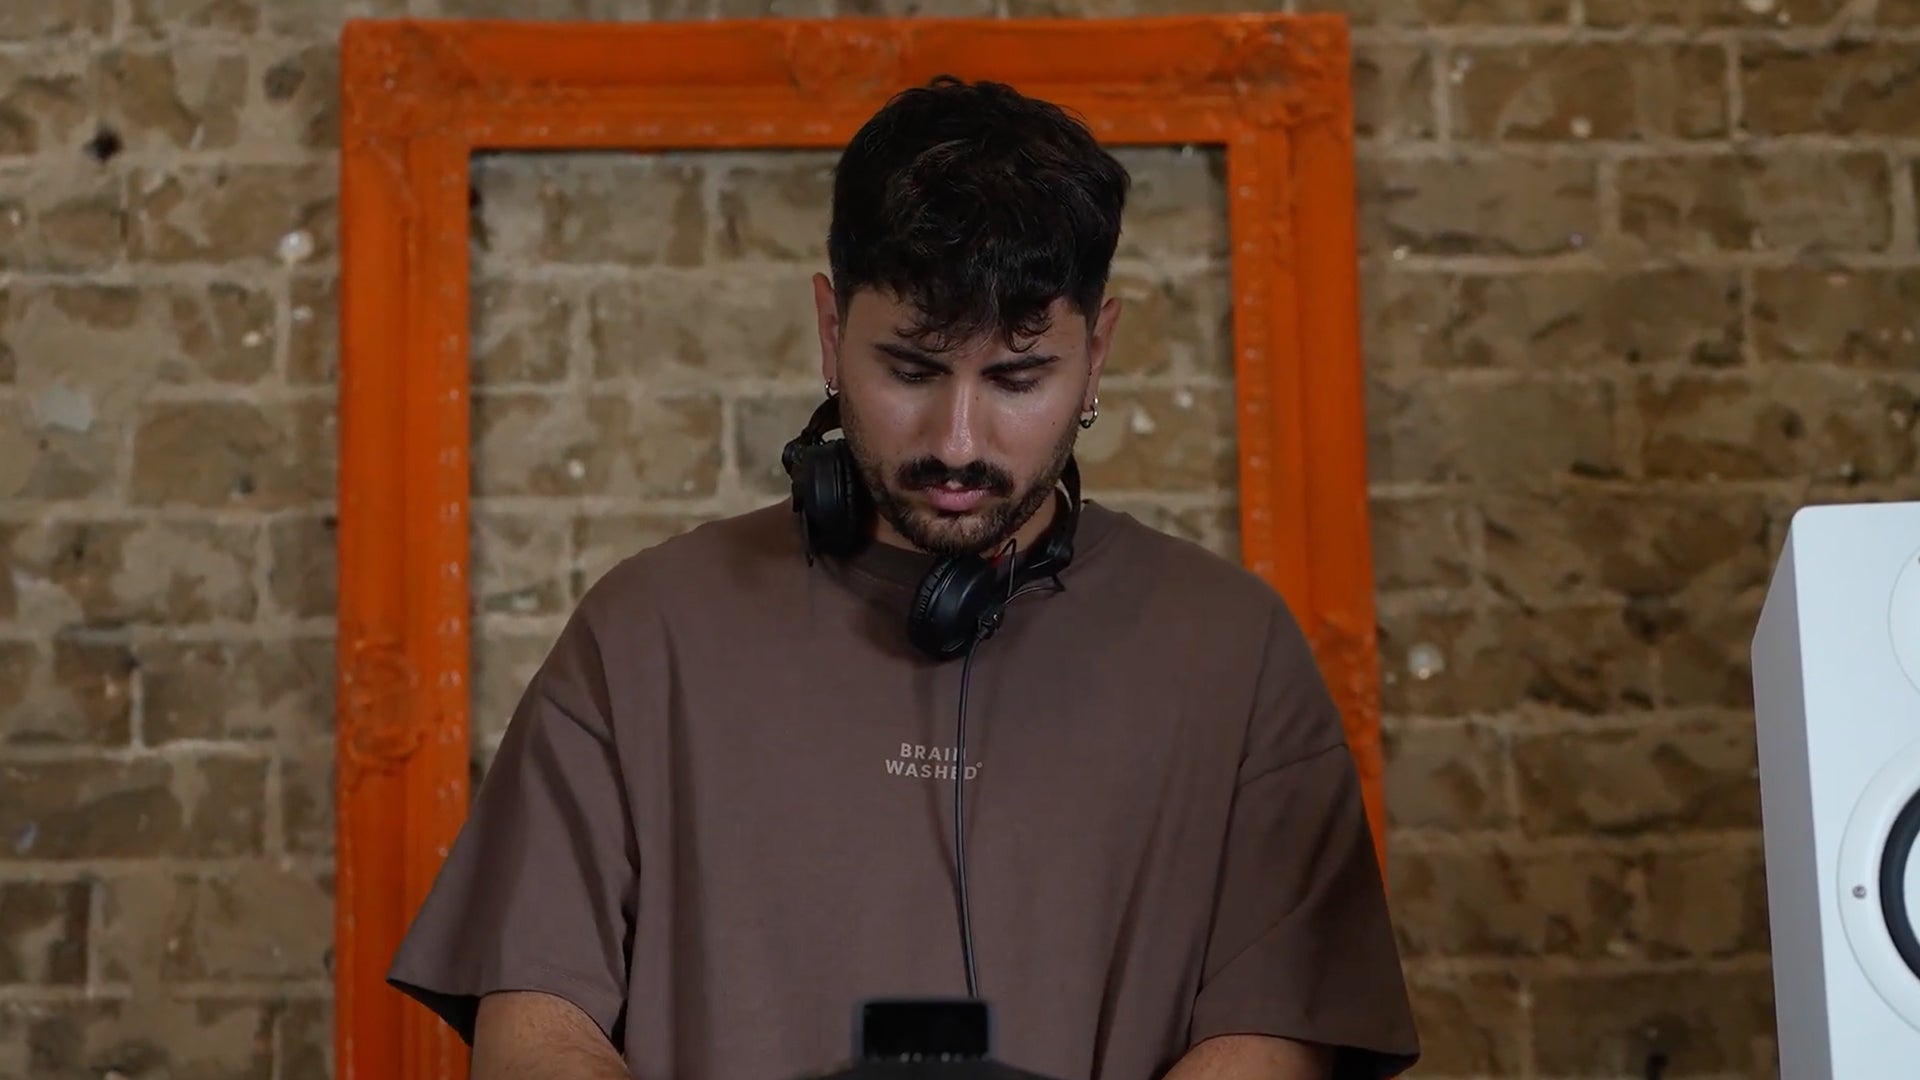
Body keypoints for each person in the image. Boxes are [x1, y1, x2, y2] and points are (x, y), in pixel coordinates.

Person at [386, 76, 1421, 1080]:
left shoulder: (1235, 654)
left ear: (1097, 354)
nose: (958, 441)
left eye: (1017, 377)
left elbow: (1274, 1039)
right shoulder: (642, 632)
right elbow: (532, 1027)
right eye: (912, 370)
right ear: (831, 333)